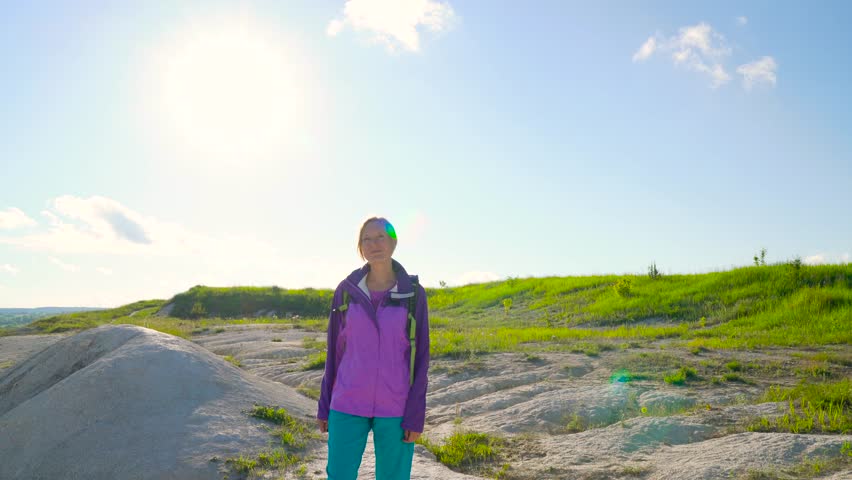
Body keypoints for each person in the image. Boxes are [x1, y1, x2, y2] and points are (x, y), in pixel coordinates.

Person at [317, 217, 430, 480]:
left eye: (381, 236)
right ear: (360, 247)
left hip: (396, 406)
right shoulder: (345, 291)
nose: (374, 244)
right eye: (367, 239)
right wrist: (324, 405)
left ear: (393, 242)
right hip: (346, 402)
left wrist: (415, 413)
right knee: (339, 475)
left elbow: (422, 357)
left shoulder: (413, 294)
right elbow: (333, 352)